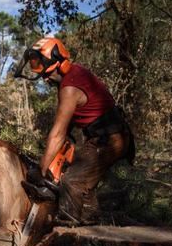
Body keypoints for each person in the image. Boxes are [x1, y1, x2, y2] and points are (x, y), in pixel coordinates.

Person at [17, 37, 135, 222]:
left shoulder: (69, 88)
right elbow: (70, 123)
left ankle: (67, 228)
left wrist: (41, 170)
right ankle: (92, 225)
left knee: (72, 182)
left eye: (47, 74)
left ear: (60, 64)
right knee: (84, 187)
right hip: (106, 136)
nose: (46, 79)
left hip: (110, 139)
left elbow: (57, 133)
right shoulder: (74, 75)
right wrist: (53, 157)